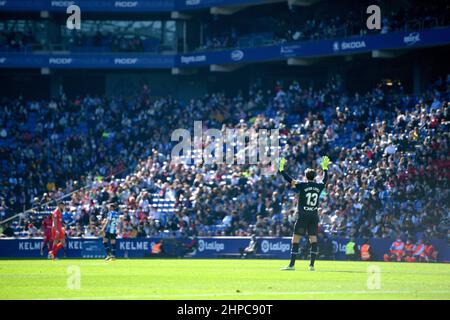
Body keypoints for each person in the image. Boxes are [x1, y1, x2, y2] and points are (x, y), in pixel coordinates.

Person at [279, 156, 330, 271]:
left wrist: (281, 169)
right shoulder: (319, 186)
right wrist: (325, 168)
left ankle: (292, 265)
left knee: (295, 239)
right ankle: (311, 265)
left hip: (303, 217)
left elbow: (289, 180)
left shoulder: (302, 185)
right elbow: (325, 180)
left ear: (306, 177)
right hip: (313, 216)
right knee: (313, 239)